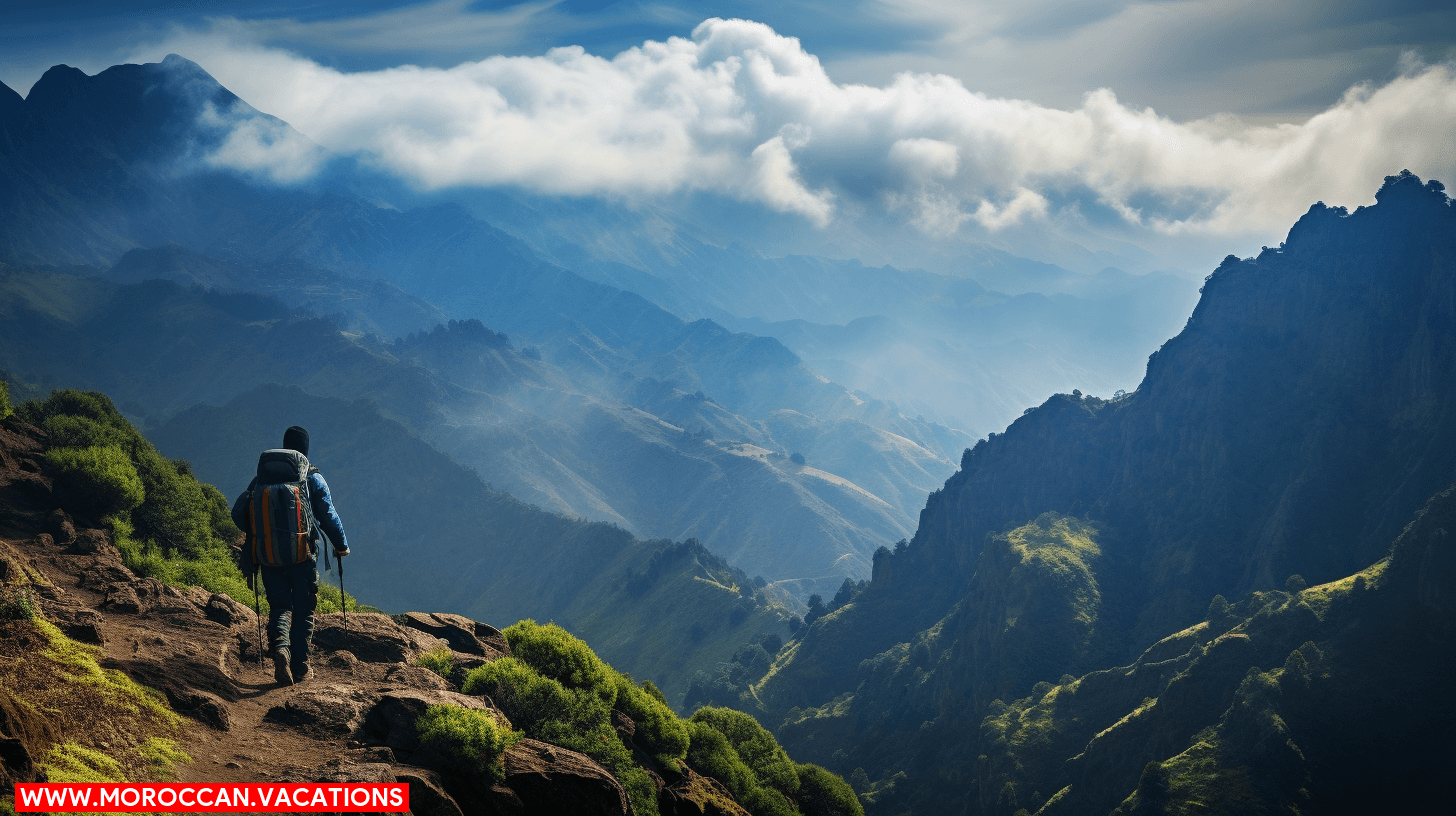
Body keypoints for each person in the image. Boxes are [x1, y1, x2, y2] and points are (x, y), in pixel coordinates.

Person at [232, 425, 349, 686]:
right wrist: (341, 546)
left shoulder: (261, 479)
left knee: (280, 607)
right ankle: (301, 667)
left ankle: (281, 650)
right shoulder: (312, 478)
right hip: (302, 555)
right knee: (304, 610)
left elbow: (239, 511)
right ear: (305, 449)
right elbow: (328, 515)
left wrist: (259, 538)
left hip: (268, 555)